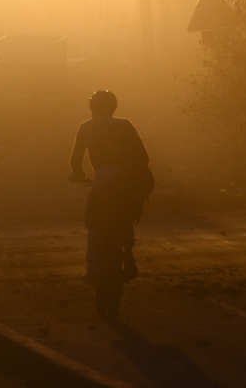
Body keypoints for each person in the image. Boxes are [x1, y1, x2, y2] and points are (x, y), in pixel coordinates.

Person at [69, 89, 153, 320]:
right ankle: (128, 253)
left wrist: (78, 173)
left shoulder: (86, 127)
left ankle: (94, 269)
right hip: (128, 179)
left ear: (92, 109)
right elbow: (143, 157)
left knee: (94, 222)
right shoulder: (125, 125)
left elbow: (76, 160)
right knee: (126, 214)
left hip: (104, 178)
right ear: (113, 107)